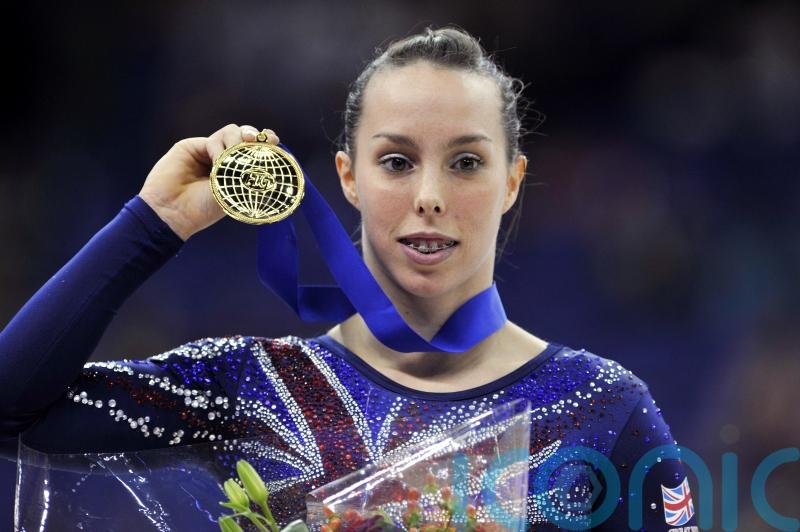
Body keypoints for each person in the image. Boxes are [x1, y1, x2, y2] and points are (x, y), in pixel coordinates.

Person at [0, 27, 698, 531]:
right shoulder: (254, 386)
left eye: (465, 163)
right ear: (348, 178)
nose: (429, 194)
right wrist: (153, 223)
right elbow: (11, 406)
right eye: (396, 161)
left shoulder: (601, 408)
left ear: (512, 182)